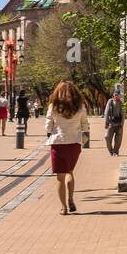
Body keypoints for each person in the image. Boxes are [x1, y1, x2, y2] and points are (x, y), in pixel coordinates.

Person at [45, 80, 89, 215]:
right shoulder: (80, 107)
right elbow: (85, 126)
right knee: (70, 171)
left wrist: (51, 132)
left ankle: (64, 208)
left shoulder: (53, 107)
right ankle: (71, 198)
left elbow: (48, 126)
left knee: (60, 177)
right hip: (74, 143)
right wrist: (84, 140)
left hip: (58, 144)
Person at [103, 91, 124, 157]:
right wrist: (106, 123)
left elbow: (123, 114)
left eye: (117, 95)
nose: (116, 96)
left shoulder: (121, 103)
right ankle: (111, 151)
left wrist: (122, 124)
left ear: (119, 95)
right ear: (113, 95)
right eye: (115, 95)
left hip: (119, 123)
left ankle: (116, 152)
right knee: (107, 137)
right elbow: (106, 112)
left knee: (118, 139)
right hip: (111, 123)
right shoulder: (110, 101)